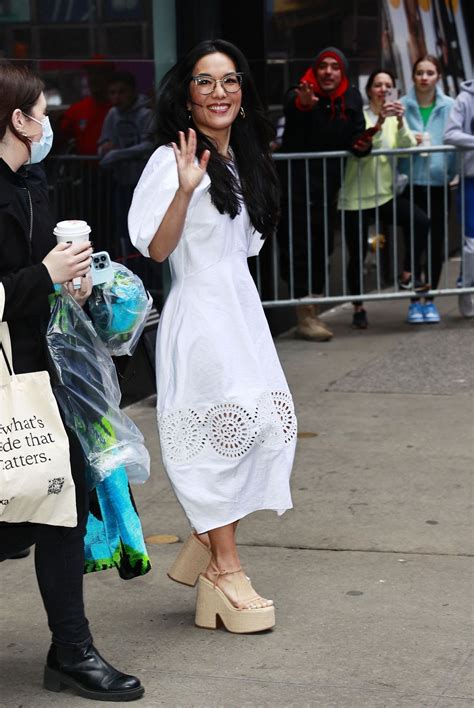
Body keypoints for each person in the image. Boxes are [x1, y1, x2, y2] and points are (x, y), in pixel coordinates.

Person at [128, 39, 296, 634]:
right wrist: (183, 188)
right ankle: (225, 568)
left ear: (243, 94)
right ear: (187, 95)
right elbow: (156, 248)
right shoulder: (169, 160)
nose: (219, 92)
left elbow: (245, 246)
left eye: (230, 80)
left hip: (239, 311)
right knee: (217, 440)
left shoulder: (244, 159)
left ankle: (206, 540)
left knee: (263, 424)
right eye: (205, 81)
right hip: (199, 315)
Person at [0, 62, 144, 702]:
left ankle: (72, 648)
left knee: (64, 501)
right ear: (18, 120)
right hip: (8, 375)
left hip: (41, 372)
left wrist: (75, 283)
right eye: (43, 112)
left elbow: (40, 282)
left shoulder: (34, 182)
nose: (50, 123)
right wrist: (44, 274)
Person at [278, 47, 372, 341]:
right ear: (315, 70)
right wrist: (305, 105)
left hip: (328, 190)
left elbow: (357, 133)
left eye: (334, 67)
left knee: (322, 250)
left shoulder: (352, 97)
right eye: (323, 66)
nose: (328, 72)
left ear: (342, 72)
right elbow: (293, 110)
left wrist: (362, 145)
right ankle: (304, 317)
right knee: (299, 252)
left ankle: (313, 312)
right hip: (295, 188)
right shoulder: (300, 93)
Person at [338, 69, 431, 327]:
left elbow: (407, 146)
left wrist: (400, 122)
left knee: (420, 220)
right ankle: (358, 308)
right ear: (369, 91)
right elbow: (368, 146)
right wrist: (379, 121)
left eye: (387, 85)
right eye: (377, 85)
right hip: (355, 198)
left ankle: (406, 273)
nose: (382, 89)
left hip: (384, 195)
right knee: (356, 255)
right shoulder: (361, 117)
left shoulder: (393, 118)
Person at [399, 55, 456, 324]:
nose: (424, 77)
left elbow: (454, 143)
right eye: (420, 72)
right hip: (411, 182)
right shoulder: (402, 105)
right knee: (413, 242)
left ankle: (430, 299)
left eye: (430, 72)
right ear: (413, 76)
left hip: (439, 183)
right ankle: (413, 302)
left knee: (436, 241)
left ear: (438, 77)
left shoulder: (450, 106)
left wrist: (452, 173)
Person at [98, 71, 155, 271]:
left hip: (145, 185)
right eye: (112, 93)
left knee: (146, 234)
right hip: (122, 183)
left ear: (132, 91)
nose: (117, 97)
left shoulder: (146, 113)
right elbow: (104, 142)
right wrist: (105, 148)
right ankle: (133, 273)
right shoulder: (113, 114)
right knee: (125, 234)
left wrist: (118, 154)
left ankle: (151, 277)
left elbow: (151, 145)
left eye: (121, 92)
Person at [444, 78, 474, 318]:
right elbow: (450, 134)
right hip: (471, 180)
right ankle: (466, 288)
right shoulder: (464, 99)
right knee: (472, 245)